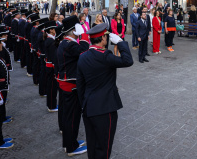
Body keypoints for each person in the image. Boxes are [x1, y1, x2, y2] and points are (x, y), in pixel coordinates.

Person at [77, 23, 134, 159]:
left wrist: (83, 104)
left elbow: (80, 85)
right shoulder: (105, 56)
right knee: (104, 147)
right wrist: (120, 42)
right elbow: (128, 61)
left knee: (92, 145)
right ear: (103, 38)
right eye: (106, 37)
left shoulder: (83, 56)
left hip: (88, 108)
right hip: (105, 109)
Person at [56, 16, 90, 156]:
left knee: (68, 116)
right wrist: (82, 35)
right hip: (71, 85)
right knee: (72, 117)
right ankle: (71, 147)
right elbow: (84, 49)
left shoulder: (66, 43)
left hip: (66, 84)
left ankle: (69, 143)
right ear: (73, 30)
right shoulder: (70, 44)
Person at [43, 21, 59, 112]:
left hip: (49, 66)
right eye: (54, 29)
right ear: (51, 30)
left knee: (51, 86)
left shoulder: (49, 39)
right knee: (52, 87)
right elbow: (54, 58)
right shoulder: (50, 41)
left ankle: (51, 104)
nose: (55, 30)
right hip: (51, 67)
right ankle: (52, 106)